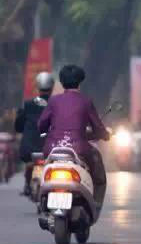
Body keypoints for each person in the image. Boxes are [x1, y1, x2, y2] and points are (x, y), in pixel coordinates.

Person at [38, 65, 110, 212]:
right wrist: (105, 135)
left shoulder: (53, 101)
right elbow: (97, 127)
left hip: (52, 148)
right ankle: (95, 203)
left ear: (62, 82)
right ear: (79, 82)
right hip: (79, 148)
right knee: (99, 176)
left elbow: (41, 125)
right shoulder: (86, 101)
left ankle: (43, 198)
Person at [15, 72, 55, 196]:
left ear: (37, 86)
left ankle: (27, 185)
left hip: (29, 148)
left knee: (29, 164)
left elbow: (19, 125)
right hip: (50, 147)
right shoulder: (56, 103)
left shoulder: (28, 105)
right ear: (52, 87)